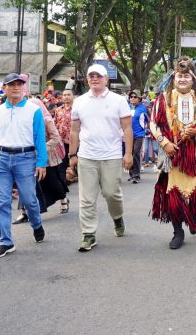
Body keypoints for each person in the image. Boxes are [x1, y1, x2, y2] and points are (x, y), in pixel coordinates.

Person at [150, 56, 196, 249]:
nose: (182, 79)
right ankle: (177, 232)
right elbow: (153, 123)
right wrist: (164, 143)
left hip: (194, 154)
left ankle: (194, 213)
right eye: (179, 75)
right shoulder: (162, 99)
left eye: (186, 76)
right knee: (173, 194)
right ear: (173, 78)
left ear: (193, 79)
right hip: (172, 153)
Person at [0, 73, 48, 258]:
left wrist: (41, 162)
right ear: (4, 88)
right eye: (12, 84)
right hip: (2, 158)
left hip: (25, 158)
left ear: (23, 87)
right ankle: (6, 242)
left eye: (19, 84)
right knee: (2, 202)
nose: (16, 87)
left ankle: (36, 223)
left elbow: (40, 138)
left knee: (29, 199)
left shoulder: (34, 110)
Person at [69, 64, 133, 252]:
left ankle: (117, 217)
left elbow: (127, 128)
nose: (94, 78)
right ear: (87, 80)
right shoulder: (79, 101)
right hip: (87, 156)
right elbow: (74, 130)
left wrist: (128, 153)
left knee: (112, 193)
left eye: (98, 76)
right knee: (87, 198)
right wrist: (73, 155)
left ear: (106, 79)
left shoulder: (118, 101)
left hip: (112, 155)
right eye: (91, 76)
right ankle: (88, 234)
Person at [128, 90, 148, 184]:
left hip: (139, 135)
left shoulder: (142, 108)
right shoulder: (127, 108)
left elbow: (148, 120)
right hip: (128, 135)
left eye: (134, 97)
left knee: (136, 153)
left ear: (139, 99)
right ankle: (132, 174)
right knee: (130, 153)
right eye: (131, 97)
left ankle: (136, 175)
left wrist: (146, 129)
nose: (132, 98)